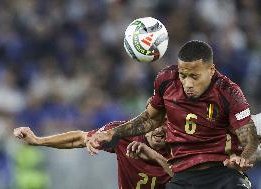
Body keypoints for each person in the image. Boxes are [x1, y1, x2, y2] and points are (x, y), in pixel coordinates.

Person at [86, 40, 259, 189]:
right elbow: (150, 119)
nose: (188, 84)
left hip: (222, 174)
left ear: (211, 70)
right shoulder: (167, 81)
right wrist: (112, 133)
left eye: (194, 76)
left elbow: (250, 140)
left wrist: (243, 159)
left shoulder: (229, 92)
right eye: (183, 75)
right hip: (183, 177)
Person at [14, 121, 173, 189]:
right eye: (155, 122)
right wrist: (38, 141)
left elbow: (190, 180)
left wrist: (155, 156)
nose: (158, 129)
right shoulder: (123, 134)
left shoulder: (182, 144)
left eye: (164, 122)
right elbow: (79, 138)